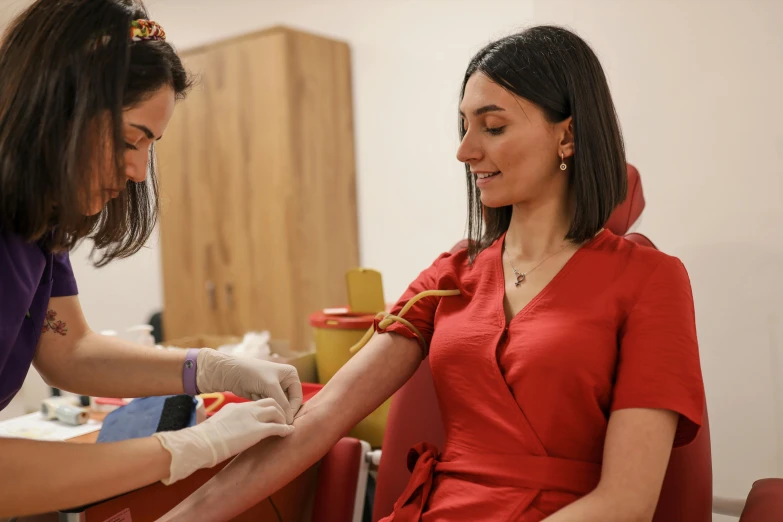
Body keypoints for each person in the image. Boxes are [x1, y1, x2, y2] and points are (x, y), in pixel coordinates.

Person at [161, 26, 705, 522]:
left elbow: (627, 502)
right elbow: (319, 421)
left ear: (567, 134)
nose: (465, 151)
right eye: (464, 126)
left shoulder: (651, 280)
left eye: (492, 126)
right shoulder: (453, 274)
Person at [0, 0, 303, 518]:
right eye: (127, 140)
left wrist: (210, 369)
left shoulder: (39, 221)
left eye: (151, 147)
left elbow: (68, 352)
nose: (139, 173)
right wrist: (182, 449)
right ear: (56, 106)